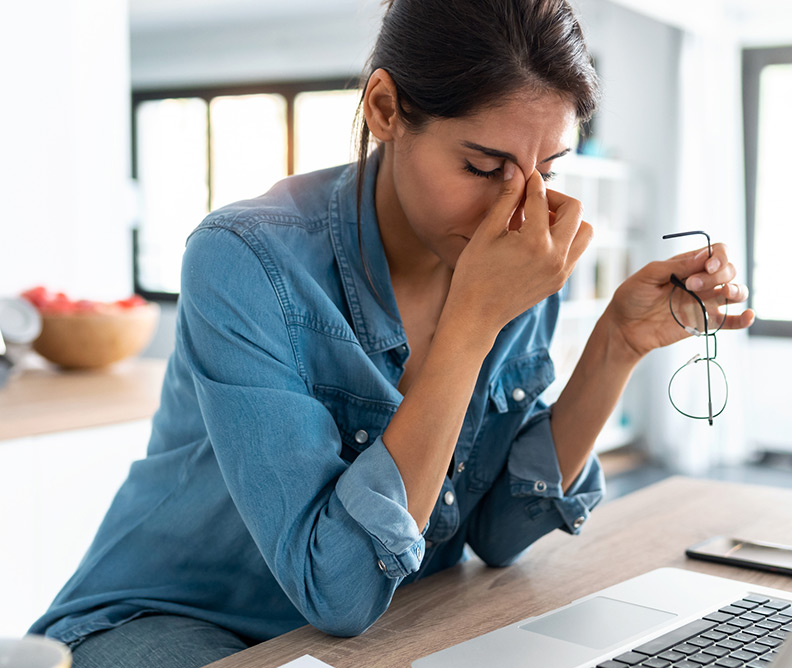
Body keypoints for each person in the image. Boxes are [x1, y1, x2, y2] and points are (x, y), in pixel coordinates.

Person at [29, 1, 753, 666]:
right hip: (171, 620)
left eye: (548, 169)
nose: (521, 210)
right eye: (483, 166)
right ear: (384, 108)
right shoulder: (245, 258)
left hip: (375, 626)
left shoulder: (507, 256)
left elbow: (500, 532)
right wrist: (471, 324)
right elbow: (336, 589)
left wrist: (616, 345)